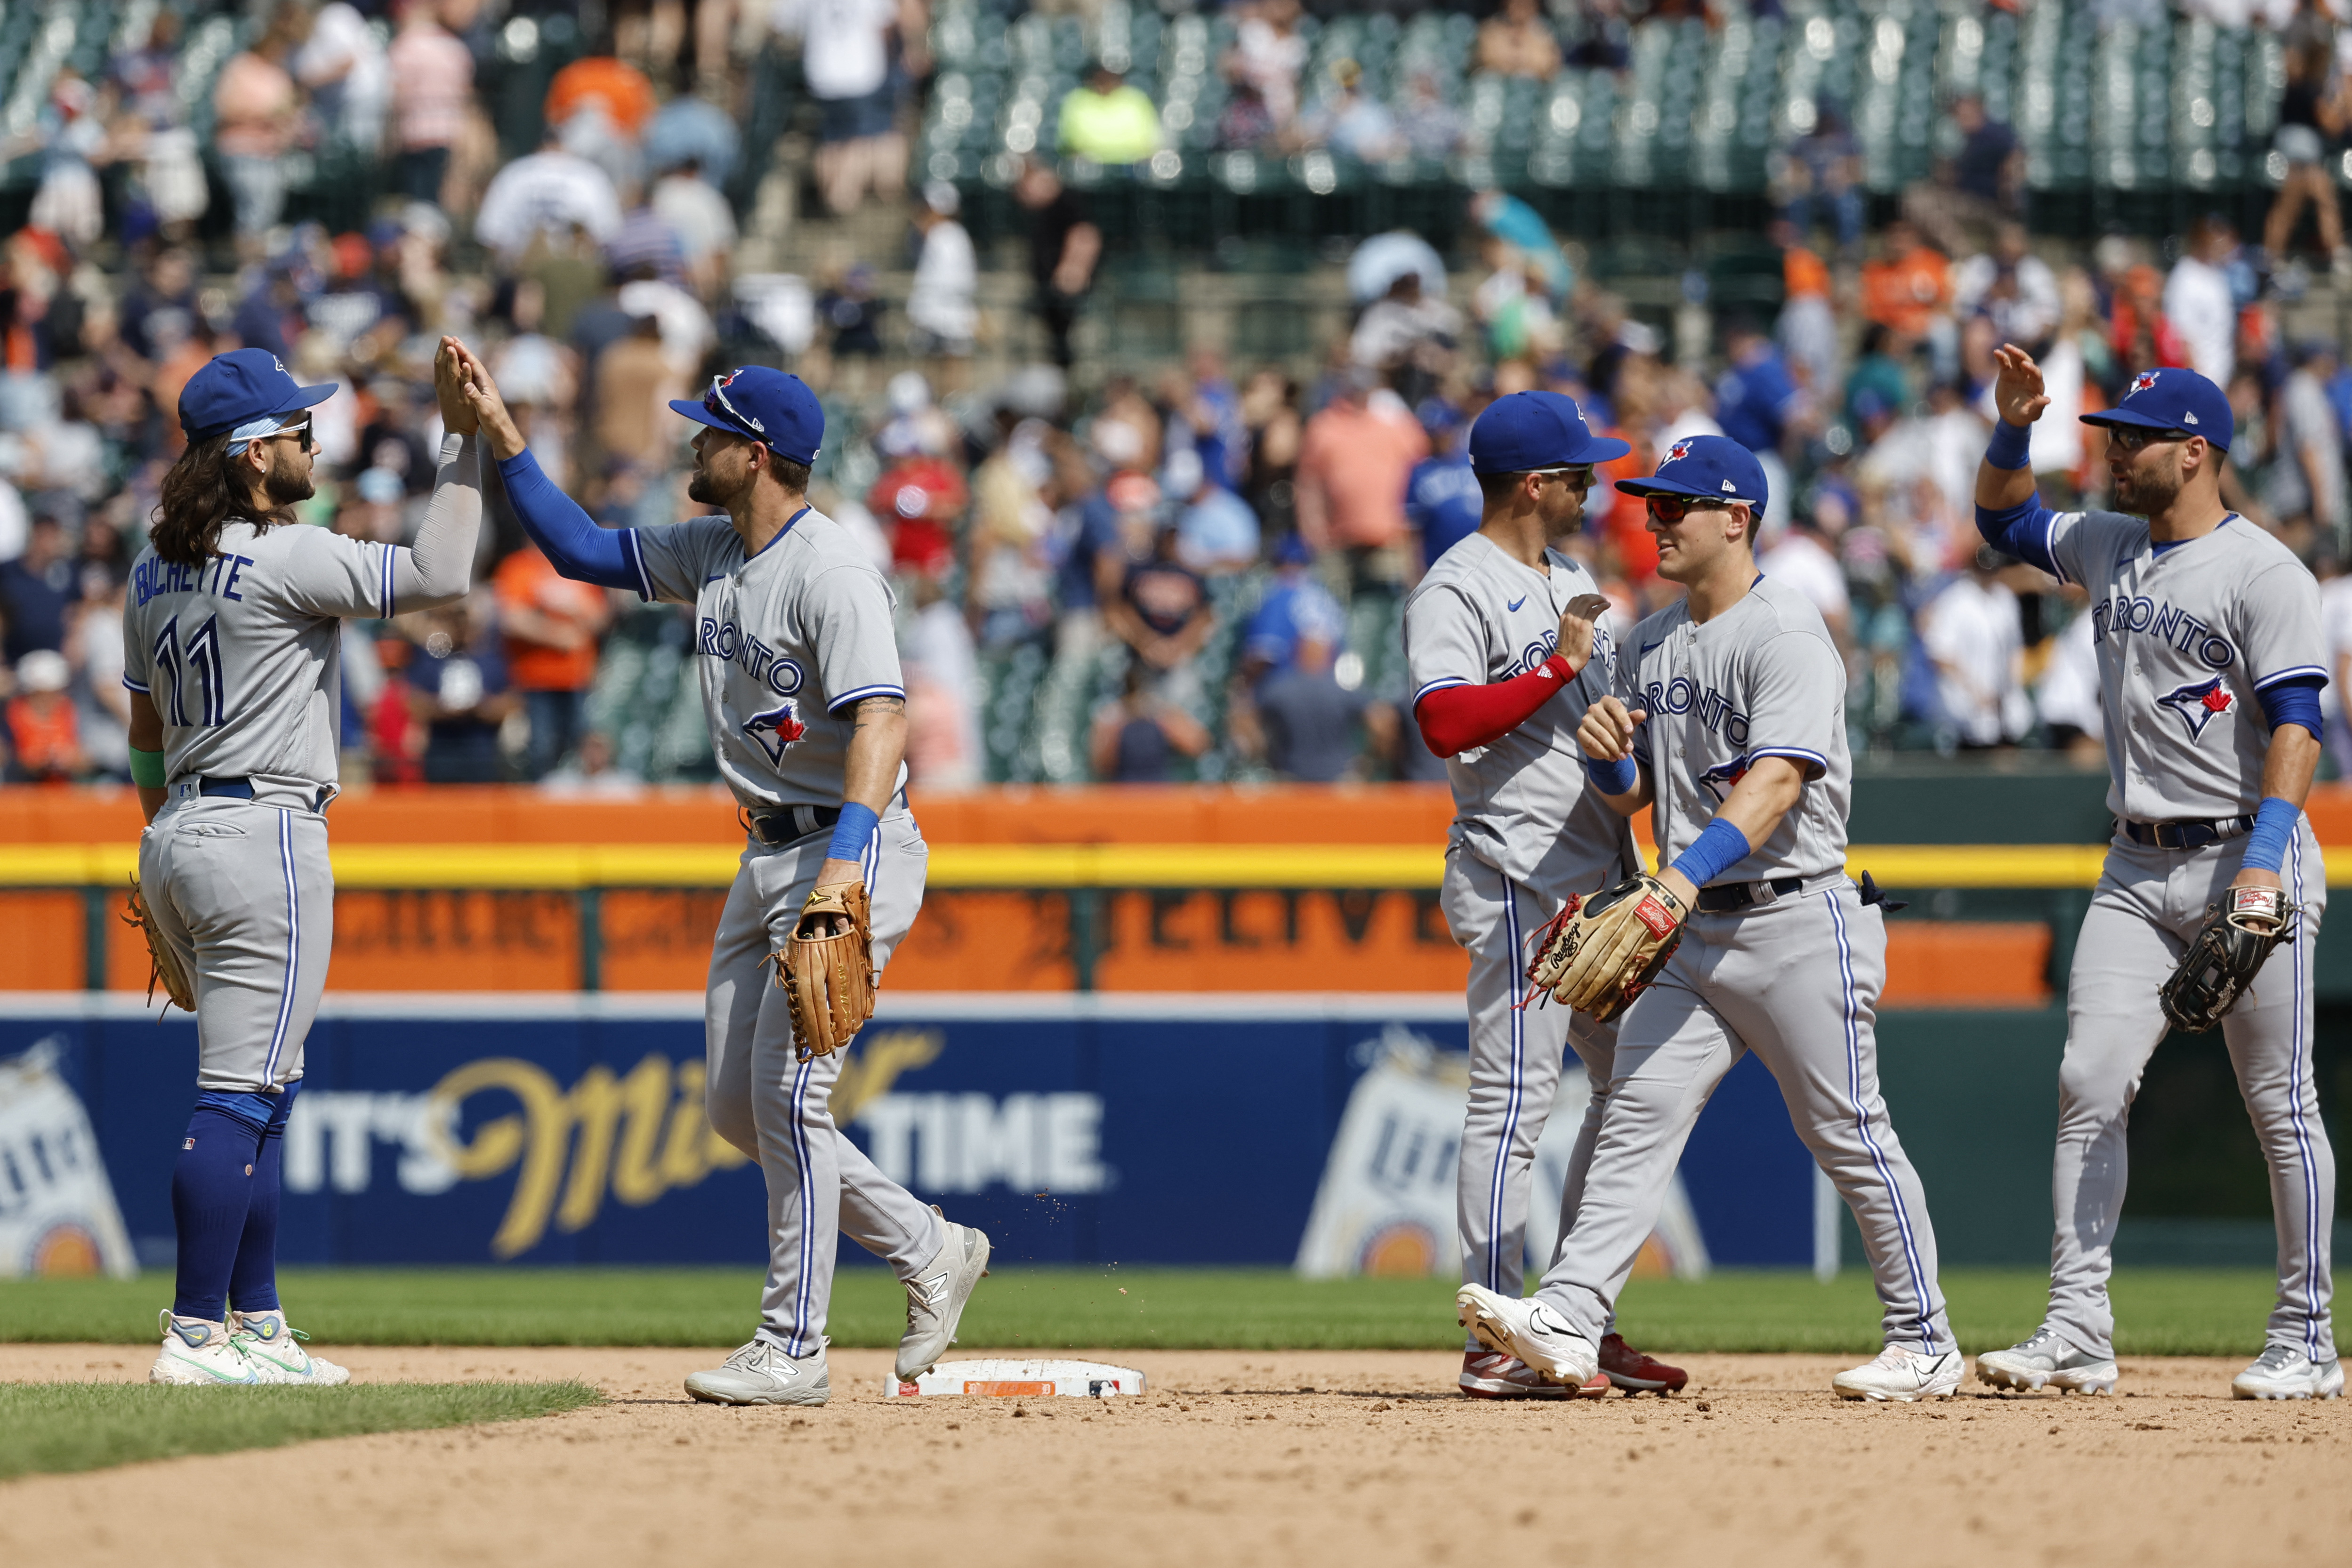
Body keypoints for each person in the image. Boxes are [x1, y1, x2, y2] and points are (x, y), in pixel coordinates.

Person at [455, 352, 992, 1407]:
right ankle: (930, 1246)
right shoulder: (714, 547)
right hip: (765, 851)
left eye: (709, 433)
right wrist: (504, 437)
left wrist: (844, 872)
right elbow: (574, 550)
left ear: (754, 456)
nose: (690, 444)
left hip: (847, 846)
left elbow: (881, 718)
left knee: (794, 1093)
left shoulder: (830, 569)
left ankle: (792, 1346)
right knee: (739, 1113)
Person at [1458, 434, 1959, 1402]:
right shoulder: (1647, 641)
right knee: (1630, 1123)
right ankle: (1567, 1317)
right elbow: (1629, 796)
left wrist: (1677, 879)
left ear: (1736, 517)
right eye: (1651, 502)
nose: (1655, 519)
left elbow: (1775, 782)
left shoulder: (1786, 631)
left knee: (1846, 1131)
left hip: (1794, 918)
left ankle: (1923, 1336)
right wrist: (1607, 758)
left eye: (1676, 505)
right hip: (1689, 932)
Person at [1972, 354, 2338, 1401]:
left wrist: (2262, 865)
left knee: (2278, 1105)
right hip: (2134, 862)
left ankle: (2306, 1334)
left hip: (2241, 851)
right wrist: (2010, 431)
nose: (2112, 451)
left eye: (2131, 438)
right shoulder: (2106, 541)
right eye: (2108, 435)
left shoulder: (2262, 571)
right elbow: (2002, 524)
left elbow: (2300, 727)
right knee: (2087, 1083)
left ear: (2194, 453)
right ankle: (2075, 1329)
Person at [125, 343, 485, 1385]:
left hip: (182, 824)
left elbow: (145, 735)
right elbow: (439, 576)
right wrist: (461, 442)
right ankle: (197, 1334)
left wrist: (164, 853)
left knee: (262, 1090)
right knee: (239, 1094)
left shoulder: (150, 567)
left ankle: (259, 1325)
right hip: (265, 829)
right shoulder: (287, 555)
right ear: (248, 458)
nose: (313, 443)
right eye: (296, 431)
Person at [1403, 391, 1686, 1400]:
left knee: (1631, 1098)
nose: (1591, 487)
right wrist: (1560, 664)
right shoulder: (1457, 586)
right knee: (1514, 1102)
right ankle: (1490, 1333)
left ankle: (1569, 1316)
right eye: (1576, 475)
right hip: (1517, 875)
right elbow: (1442, 721)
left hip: (1601, 880)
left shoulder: (1570, 576)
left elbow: (1602, 732)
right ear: (1532, 484)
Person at [495, 543, 611, 780]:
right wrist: (556, 635)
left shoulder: (578, 562)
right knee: (541, 751)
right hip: (534, 679)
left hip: (578, 678)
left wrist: (571, 605)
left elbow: (601, 617)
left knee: (582, 749)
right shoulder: (519, 566)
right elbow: (512, 619)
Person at [386, 0, 475, 206]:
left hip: (416, 133)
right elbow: (465, 94)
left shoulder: (407, 44)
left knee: (417, 198)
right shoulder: (454, 47)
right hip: (449, 132)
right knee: (436, 197)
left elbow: (397, 93)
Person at [1015, 159, 1098, 370]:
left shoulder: (1066, 200)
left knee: (1076, 354)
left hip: (1071, 299)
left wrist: (1074, 269)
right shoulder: (1041, 212)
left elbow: (1086, 236)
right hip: (1051, 297)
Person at [1058, 59, 1161, 165]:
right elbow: (1068, 142)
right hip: (1087, 168)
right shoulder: (1077, 100)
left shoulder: (1137, 100)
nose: (1106, 80)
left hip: (1133, 169)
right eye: (1102, 75)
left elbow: (1149, 143)